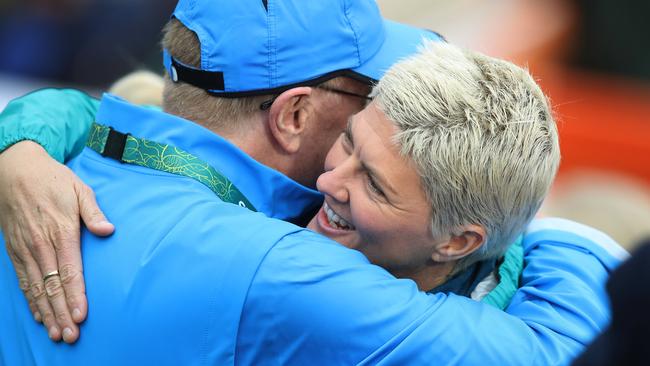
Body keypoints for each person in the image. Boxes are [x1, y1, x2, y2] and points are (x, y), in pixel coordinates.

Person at [0, 0, 623, 364]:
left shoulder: (60, 161)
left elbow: (101, 109)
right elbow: (548, 354)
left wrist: (17, 139)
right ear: (293, 114)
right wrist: (556, 231)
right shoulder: (279, 269)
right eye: (364, 98)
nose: (334, 176)